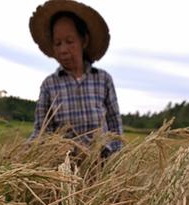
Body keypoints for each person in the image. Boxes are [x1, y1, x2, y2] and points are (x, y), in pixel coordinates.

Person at [27, 0, 123, 159]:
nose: (63, 49)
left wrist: (116, 158)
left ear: (83, 41)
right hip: (66, 167)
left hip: (101, 162)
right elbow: (41, 132)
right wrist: (26, 152)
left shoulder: (103, 79)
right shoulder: (49, 85)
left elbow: (115, 125)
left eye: (70, 41)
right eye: (57, 43)